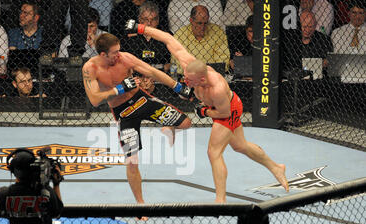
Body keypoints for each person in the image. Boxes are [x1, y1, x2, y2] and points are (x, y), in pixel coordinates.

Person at [126, 20, 290, 203]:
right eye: (185, 78)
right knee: (240, 146)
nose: (185, 81)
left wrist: (204, 112)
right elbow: (168, 39)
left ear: (202, 79)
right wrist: (141, 28)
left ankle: (221, 200)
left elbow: (224, 114)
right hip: (218, 108)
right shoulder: (190, 64)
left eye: (189, 80)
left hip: (227, 110)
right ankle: (276, 168)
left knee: (214, 152)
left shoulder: (217, 89)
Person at [82, 32, 193, 207]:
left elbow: (152, 71)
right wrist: (120, 89)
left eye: (119, 50)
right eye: (114, 52)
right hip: (123, 112)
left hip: (142, 100)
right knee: (132, 162)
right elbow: (95, 99)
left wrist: (177, 87)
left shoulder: (125, 58)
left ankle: (169, 128)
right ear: (103, 54)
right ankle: (140, 204)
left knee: (186, 123)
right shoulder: (90, 68)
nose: (118, 54)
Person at [123, 1, 171, 94]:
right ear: (140, 19)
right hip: (136, 78)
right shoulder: (130, 38)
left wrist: (153, 77)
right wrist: (140, 79)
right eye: (145, 19)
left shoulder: (166, 37)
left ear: (158, 20)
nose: (149, 23)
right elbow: (126, 64)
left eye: (153, 19)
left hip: (160, 79)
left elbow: (170, 65)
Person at [171, 5, 230, 75]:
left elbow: (223, 62)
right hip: (188, 77)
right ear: (191, 21)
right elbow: (177, 64)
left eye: (205, 23)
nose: (202, 27)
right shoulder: (180, 35)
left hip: (212, 76)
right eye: (199, 23)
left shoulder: (218, 32)